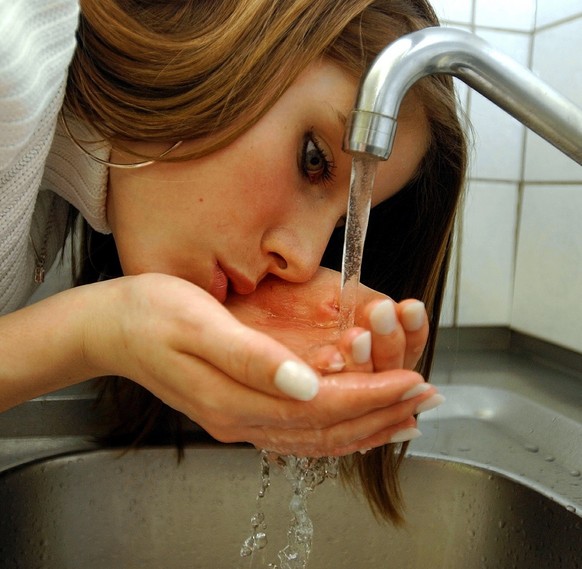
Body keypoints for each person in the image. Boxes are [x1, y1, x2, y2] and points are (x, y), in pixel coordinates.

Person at [0, 0, 467, 523]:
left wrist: (123, 329)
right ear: (234, 38)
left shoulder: (56, 189)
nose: (305, 258)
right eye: (314, 160)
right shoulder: (9, 57)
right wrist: (96, 334)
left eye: (338, 226)